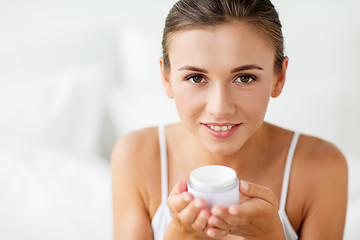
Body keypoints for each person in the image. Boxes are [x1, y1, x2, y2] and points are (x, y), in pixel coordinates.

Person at [111, 0, 348, 239]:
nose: (220, 108)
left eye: (244, 78)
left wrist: (270, 236)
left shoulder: (321, 166)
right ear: (166, 78)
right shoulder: (137, 156)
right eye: (195, 78)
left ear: (279, 77)